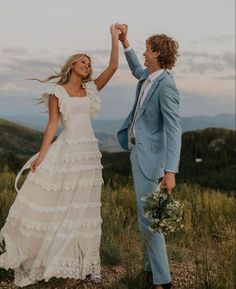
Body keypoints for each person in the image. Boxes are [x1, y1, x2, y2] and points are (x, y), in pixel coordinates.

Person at [0, 24, 120, 287]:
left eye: (89, 63)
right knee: (65, 207)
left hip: (89, 155)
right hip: (68, 152)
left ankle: (89, 264)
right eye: (83, 61)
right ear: (72, 65)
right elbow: (52, 125)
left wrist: (114, 38)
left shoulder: (91, 89)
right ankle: (55, 260)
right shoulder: (57, 92)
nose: (87, 65)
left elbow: (113, 67)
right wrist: (41, 157)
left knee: (88, 209)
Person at [117, 24, 182, 289]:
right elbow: (135, 69)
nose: (143, 53)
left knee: (150, 220)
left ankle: (163, 281)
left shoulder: (166, 85)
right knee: (145, 216)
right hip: (138, 153)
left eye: (146, 49)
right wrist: (125, 42)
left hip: (152, 161)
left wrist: (170, 171)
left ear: (156, 53)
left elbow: (174, 128)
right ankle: (150, 272)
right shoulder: (149, 76)